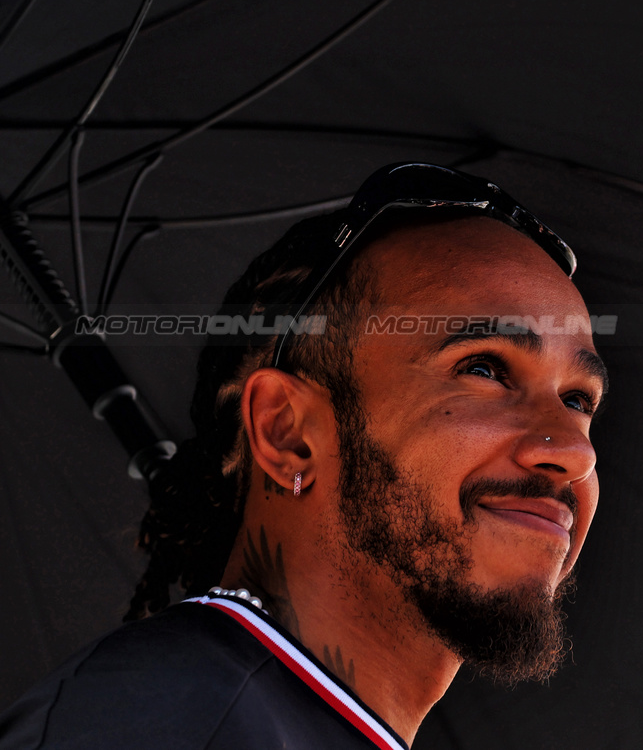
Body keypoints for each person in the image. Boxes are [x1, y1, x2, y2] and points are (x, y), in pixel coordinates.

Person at [0, 163, 607, 749]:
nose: (575, 452)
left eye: (579, 400)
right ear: (288, 433)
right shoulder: (162, 718)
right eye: (484, 368)